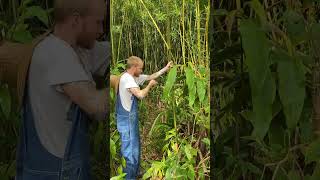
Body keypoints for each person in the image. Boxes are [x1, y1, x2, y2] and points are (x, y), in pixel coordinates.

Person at [16, 0, 110, 179]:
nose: (101, 30)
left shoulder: (72, 48)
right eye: (97, 22)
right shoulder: (56, 54)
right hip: (56, 172)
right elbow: (97, 107)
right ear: (76, 20)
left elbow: (104, 52)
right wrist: (121, 83)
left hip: (59, 168)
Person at [116, 56, 173, 179]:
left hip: (130, 119)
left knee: (135, 146)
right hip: (126, 120)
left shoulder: (133, 77)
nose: (142, 71)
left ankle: (135, 173)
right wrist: (150, 86)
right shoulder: (127, 79)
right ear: (134, 67)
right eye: (140, 68)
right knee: (129, 151)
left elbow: (151, 76)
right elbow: (141, 95)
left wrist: (166, 68)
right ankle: (129, 177)